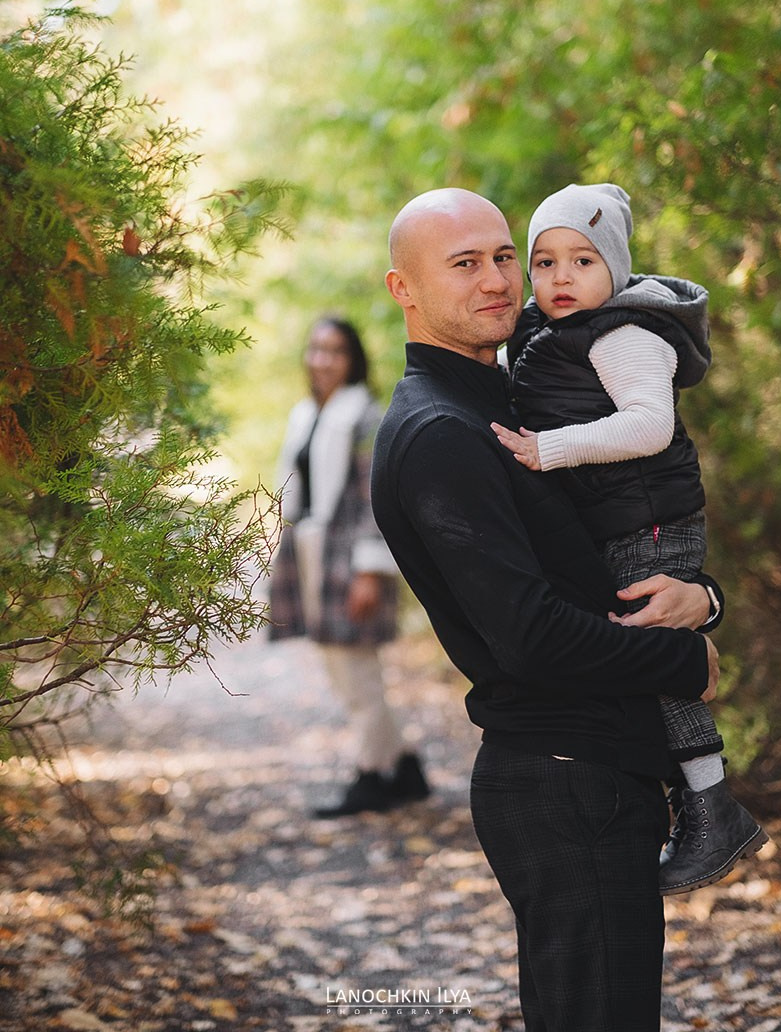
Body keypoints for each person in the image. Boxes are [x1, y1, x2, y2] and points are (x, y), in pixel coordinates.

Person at [370, 187, 723, 1032]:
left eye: (502, 257)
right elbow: (527, 634)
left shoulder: (515, 395)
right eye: (464, 265)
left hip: (597, 766)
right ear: (403, 290)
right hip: (563, 775)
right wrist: (685, 661)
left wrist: (700, 601)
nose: (496, 281)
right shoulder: (442, 432)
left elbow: (617, 546)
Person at [490, 182, 767, 896]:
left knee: (657, 655)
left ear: (614, 266)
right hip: (617, 520)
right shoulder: (548, 329)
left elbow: (651, 425)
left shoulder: (626, 332)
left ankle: (713, 805)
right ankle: (688, 801)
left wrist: (547, 450)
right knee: (636, 654)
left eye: (581, 261)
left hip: (653, 522)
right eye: (544, 262)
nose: (559, 278)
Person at [268, 315, 429, 818]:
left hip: (350, 558)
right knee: (342, 672)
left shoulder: (365, 416)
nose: (322, 359)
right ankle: (404, 768)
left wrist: (369, 571)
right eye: (316, 349)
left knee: (357, 674)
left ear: (352, 358)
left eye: (334, 350)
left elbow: (372, 500)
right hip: (311, 551)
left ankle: (370, 775)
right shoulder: (307, 414)